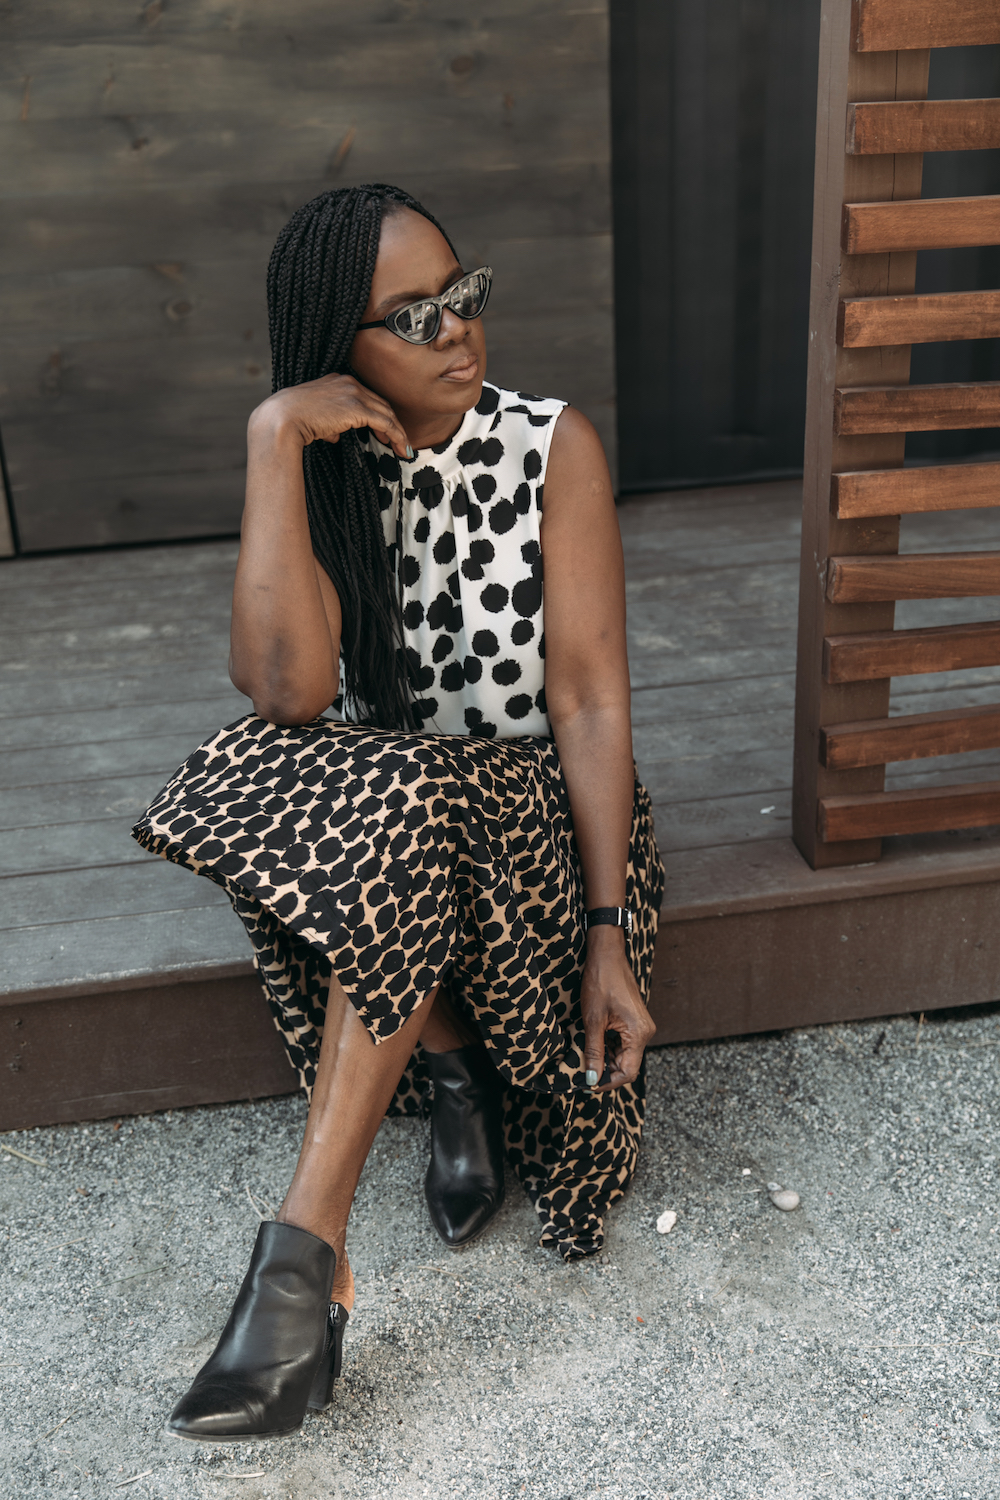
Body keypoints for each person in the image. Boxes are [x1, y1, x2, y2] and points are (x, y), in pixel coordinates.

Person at [133, 182, 664, 1444]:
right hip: (396, 854)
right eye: (409, 318)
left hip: (538, 843)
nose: (457, 333)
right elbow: (289, 690)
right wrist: (273, 442)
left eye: (460, 296)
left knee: (397, 785)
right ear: (337, 353)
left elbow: (587, 705)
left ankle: (389, 1151)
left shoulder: (549, 446)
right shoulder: (321, 466)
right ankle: (346, 1205)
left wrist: (605, 931)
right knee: (282, 763)